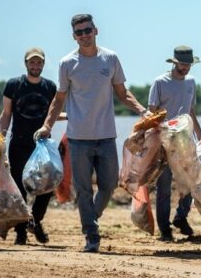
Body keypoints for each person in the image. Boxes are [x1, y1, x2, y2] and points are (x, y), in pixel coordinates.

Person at [34, 14, 147, 253]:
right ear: (74, 36)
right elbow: (59, 99)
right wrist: (47, 125)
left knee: (108, 185)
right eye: (79, 32)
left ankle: (91, 217)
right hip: (78, 138)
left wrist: (142, 110)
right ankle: (91, 235)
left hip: (106, 136)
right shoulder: (67, 63)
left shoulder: (110, 58)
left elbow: (122, 92)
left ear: (95, 30)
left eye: (87, 30)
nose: (84, 35)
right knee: (83, 189)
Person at [0, 47, 60, 246]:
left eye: (39, 62)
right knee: (19, 189)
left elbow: (54, 113)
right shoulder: (14, 85)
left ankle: (35, 220)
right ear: (26, 63)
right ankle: (21, 232)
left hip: (42, 145)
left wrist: (79, 119)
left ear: (43, 64)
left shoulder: (50, 87)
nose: (36, 65)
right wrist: (1, 139)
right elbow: (6, 113)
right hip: (19, 143)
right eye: (32, 62)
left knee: (47, 186)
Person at [148, 46, 201, 242]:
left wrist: (200, 136)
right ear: (174, 62)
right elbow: (152, 112)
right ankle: (164, 230)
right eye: (182, 64)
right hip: (164, 141)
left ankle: (181, 217)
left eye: (189, 65)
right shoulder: (160, 82)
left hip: (186, 141)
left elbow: (191, 111)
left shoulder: (191, 82)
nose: (186, 68)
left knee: (192, 181)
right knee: (164, 188)